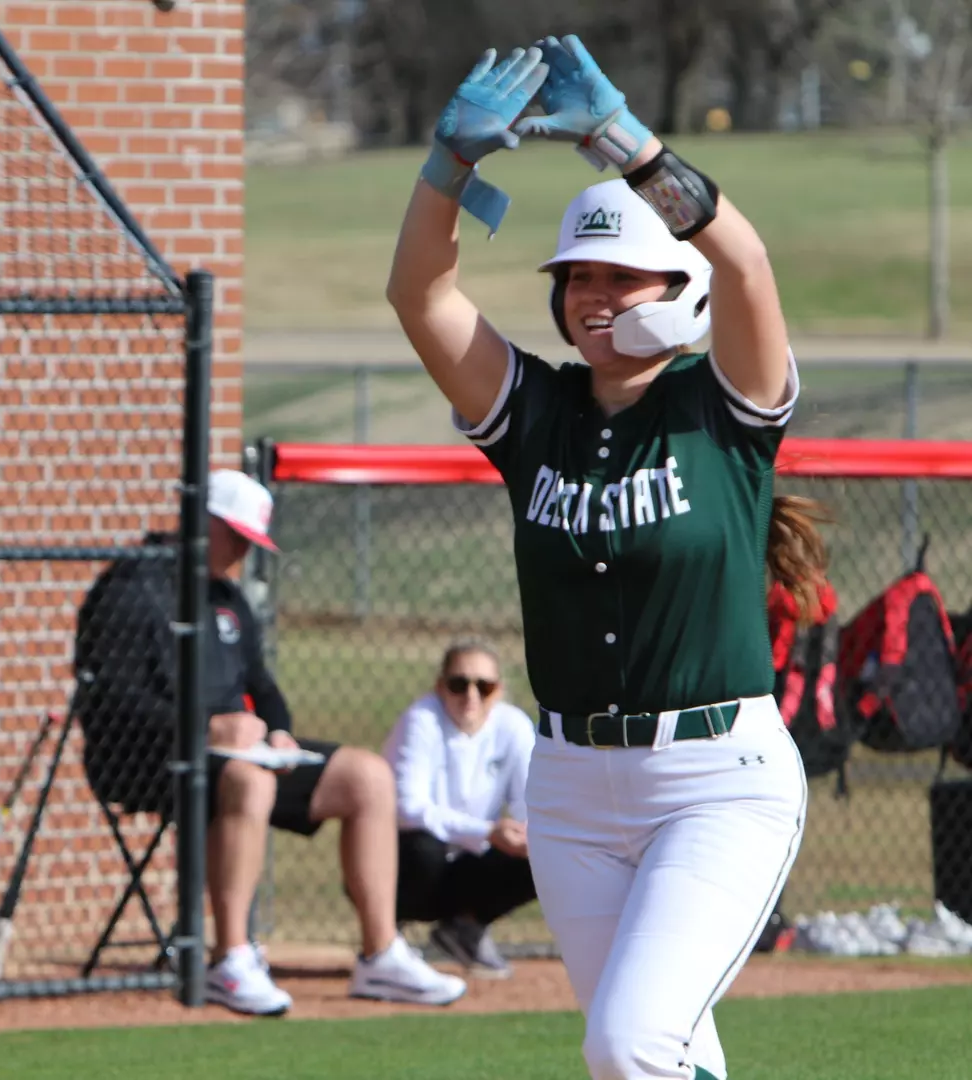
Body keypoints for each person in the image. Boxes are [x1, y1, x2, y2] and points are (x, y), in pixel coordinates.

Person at [385, 35, 831, 1080]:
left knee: (629, 1044)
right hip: (574, 789)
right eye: (578, 274)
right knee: (668, 1052)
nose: (594, 294)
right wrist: (447, 169)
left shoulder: (723, 407)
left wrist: (630, 147)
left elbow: (749, 263)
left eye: (623, 276)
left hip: (717, 780)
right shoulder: (534, 412)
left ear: (679, 282)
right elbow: (420, 297)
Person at [75, 468, 468, 1016]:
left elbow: (262, 686)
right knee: (247, 780)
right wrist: (204, 729)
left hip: (238, 756)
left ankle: (381, 955)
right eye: (234, 536)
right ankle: (229, 958)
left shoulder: (228, 595)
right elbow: (110, 702)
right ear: (200, 521)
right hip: (147, 759)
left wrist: (278, 729)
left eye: (248, 541)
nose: (241, 551)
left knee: (366, 777)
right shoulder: (131, 589)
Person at [382, 639, 537, 980]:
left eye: (484, 686)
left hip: (469, 860)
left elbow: (532, 804)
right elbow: (407, 809)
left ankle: (465, 928)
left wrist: (525, 837)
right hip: (405, 860)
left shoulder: (513, 726)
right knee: (425, 848)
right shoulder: (421, 720)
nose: (471, 696)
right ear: (440, 686)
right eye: (458, 684)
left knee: (545, 849)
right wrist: (487, 831)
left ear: (498, 691)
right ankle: (386, 934)